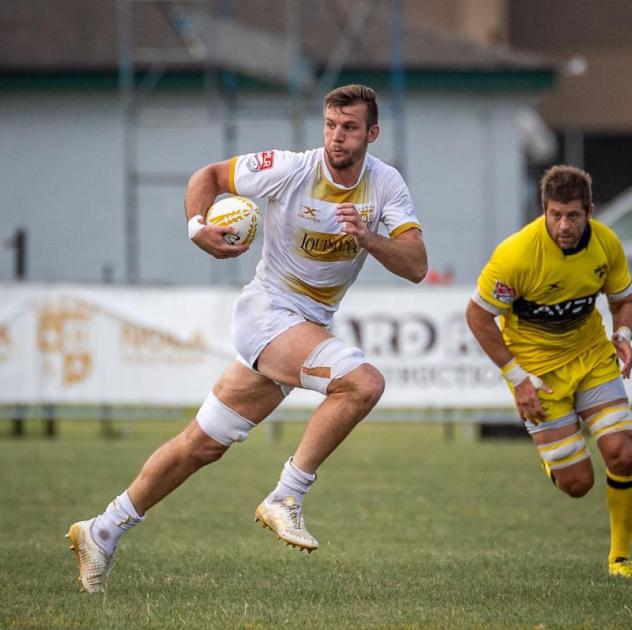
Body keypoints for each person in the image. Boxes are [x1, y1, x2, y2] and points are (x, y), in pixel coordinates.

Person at [66, 84, 428, 592]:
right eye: (330, 125)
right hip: (267, 314)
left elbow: (416, 265)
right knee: (362, 383)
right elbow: (209, 176)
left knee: (200, 445)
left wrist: (369, 237)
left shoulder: (385, 185)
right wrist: (197, 227)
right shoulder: (290, 168)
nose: (336, 137)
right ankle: (287, 495)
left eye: (349, 128)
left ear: (372, 133)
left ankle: (101, 530)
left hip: (305, 326)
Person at [466, 164, 632, 578]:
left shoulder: (606, 245)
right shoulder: (516, 255)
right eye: (555, 214)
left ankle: (620, 557)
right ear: (543, 210)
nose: (563, 224)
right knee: (578, 484)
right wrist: (518, 380)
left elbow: (623, 298)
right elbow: (478, 318)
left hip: (592, 357)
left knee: (624, 454)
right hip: (539, 375)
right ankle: (555, 460)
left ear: (589, 211)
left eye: (573, 215)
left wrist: (624, 333)